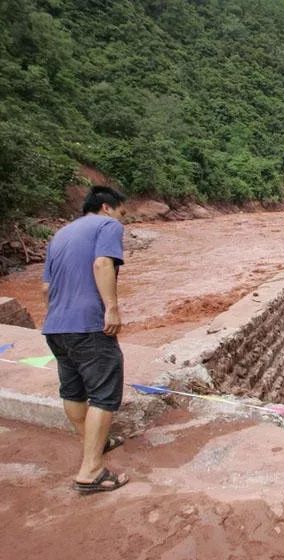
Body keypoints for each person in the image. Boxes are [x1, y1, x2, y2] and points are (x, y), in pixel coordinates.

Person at [41, 186, 130, 494]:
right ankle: (91, 470)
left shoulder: (60, 235)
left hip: (56, 327)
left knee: (74, 391)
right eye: (122, 212)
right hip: (88, 326)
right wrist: (112, 309)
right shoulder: (108, 225)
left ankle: (95, 443)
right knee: (104, 394)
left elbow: (45, 290)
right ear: (107, 207)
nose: (123, 219)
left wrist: (60, 317)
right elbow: (102, 264)